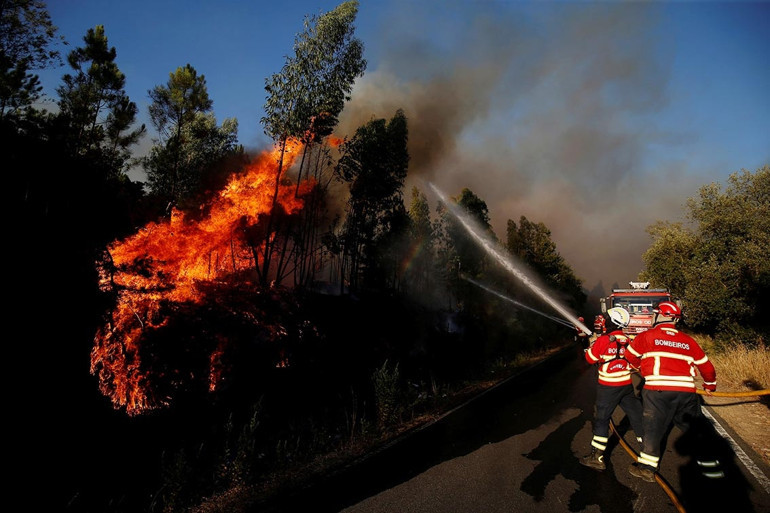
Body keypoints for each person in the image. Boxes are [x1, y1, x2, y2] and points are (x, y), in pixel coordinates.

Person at [624, 301, 717, 482]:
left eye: (654, 314)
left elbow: (630, 356)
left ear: (660, 316)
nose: (651, 317)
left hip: (657, 391)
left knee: (653, 428)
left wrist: (641, 369)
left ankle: (647, 468)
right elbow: (707, 367)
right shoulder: (688, 340)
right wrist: (709, 386)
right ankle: (711, 469)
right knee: (694, 429)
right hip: (686, 392)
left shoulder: (647, 336)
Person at [579, 307, 644, 470]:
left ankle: (596, 458)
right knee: (637, 416)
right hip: (626, 385)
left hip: (608, 386)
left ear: (610, 321)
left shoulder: (603, 340)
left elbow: (590, 359)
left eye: (606, 317)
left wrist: (592, 345)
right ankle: (648, 453)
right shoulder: (628, 340)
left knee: (602, 419)